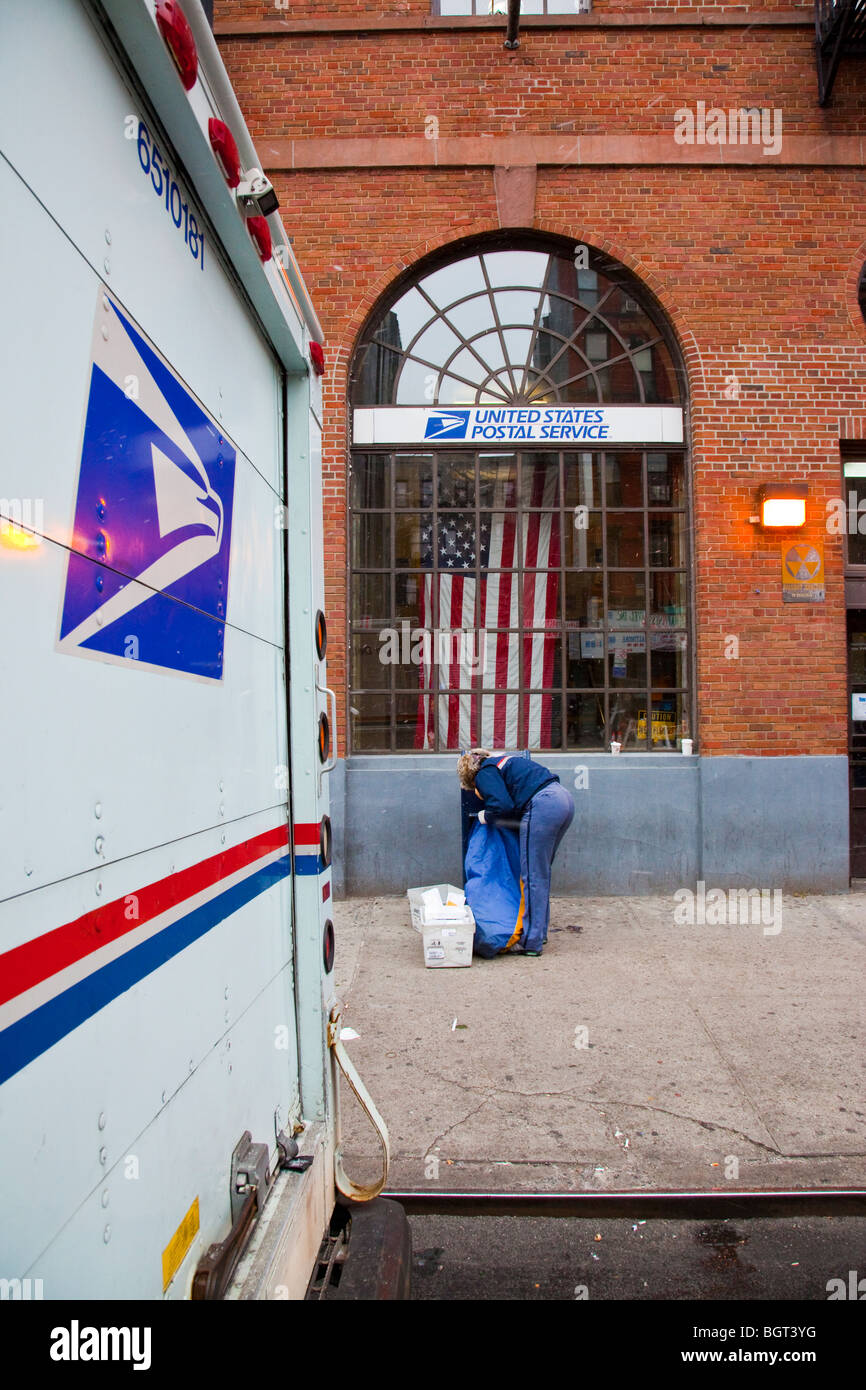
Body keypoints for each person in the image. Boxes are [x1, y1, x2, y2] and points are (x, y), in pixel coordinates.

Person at [456, 749, 575, 956]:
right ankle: (539, 931)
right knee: (541, 872)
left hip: (542, 805)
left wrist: (487, 816)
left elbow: (503, 805)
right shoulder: (506, 762)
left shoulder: (484, 773)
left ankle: (531, 941)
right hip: (563, 800)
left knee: (532, 876)